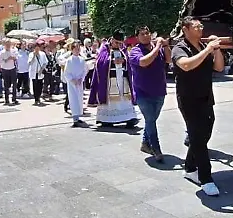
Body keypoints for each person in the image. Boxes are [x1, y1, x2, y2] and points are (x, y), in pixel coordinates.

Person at [172, 17, 225, 196]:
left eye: (201, 25)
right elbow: (186, 65)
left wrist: (215, 49)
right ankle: (206, 178)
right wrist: (208, 49)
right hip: (188, 99)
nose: (201, 28)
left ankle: (189, 167)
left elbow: (219, 67)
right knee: (197, 136)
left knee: (205, 133)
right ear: (185, 29)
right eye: (196, 26)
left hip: (206, 96)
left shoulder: (204, 47)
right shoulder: (179, 48)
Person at [129, 26, 171, 162]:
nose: (146, 36)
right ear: (137, 37)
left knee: (151, 120)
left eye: (147, 33)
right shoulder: (135, 51)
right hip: (143, 92)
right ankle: (156, 148)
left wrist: (165, 46)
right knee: (151, 120)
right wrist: (157, 47)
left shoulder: (156, 48)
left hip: (159, 90)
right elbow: (144, 62)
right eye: (142, 34)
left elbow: (169, 60)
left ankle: (145, 143)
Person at [87, 31, 138, 127]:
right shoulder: (105, 48)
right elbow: (99, 63)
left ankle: (129, 117)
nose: (118, 45)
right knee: (110, 99)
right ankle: (107, 119)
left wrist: (124, 61)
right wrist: (111, 61)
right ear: (112, 39)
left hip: (122, 79)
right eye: (117, 42)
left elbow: (129, 61)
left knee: (125, 98)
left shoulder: (123, 49)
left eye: (120, 43)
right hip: (109, 80)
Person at [63, 41, 87, 127]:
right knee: (73, 100)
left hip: (79, 82)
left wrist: (81, 78)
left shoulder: (82, 60)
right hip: (72, 83)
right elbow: (66, 72)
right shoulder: (69, 60)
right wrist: (72, 80)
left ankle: (78, 115)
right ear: (72, 50)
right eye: (76, 49)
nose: (77, 50)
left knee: (79, 99)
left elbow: (85, 70)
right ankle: (74, 118)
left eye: (78, 49)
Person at [0, 39, 19, 105]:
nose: (8, 45)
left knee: (14, 84)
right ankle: (6, 99)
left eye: (9, 43)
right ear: (4, 44)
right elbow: (1, 62)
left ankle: (14, 98)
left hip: (12, 69)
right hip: (5, 69)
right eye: (6, 44)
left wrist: (13, 58)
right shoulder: (2, 52)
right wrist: (7, 59)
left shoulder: (13, 50)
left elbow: (16, 58)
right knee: (6, 85)